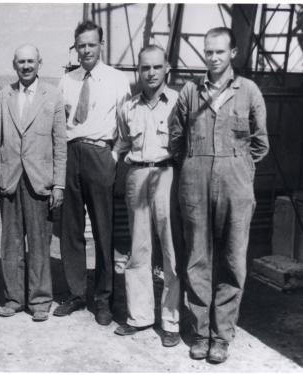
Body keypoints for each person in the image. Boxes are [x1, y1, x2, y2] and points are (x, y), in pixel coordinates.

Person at [170, 27, 269, 363]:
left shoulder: (249, 91)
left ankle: (222, 336)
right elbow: (175, 137)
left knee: (231, 260)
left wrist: (237, 168)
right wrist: (194, 166)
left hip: (236, 188)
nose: (212, 58)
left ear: (233, 53)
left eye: (219, 52)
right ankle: (199, 333)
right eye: (208, 52)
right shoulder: (189, 92)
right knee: (197, 259)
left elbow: (260, 142)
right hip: (194, 186)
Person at [53, 20, 131, 325]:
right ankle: (75, 293)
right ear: (76, 47)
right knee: (70, 229)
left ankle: (103, 298)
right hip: (72, 153)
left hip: (101, 154)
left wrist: (112, 157)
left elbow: (125, 125)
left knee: (103, 230)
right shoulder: (67, 80)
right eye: (81, 45)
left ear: (101, 46)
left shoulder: (116, 79)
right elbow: (61, 125)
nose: (86, 50)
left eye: (91, 44)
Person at [0, 44, 67, 322]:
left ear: (39, 63)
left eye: (31, 61)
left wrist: (59, 185)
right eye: (21, 61)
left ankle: (40, 299)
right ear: (14, 65)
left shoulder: (53, 96)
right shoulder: (3, 96)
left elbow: (60, 144)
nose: (26, 66)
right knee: (10, 244)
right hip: (9, 179)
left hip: (39, 181)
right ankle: (14, 298)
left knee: (39, 243)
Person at [114, 45, 181, 347]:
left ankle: (171, 321)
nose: (151, 73)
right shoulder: (128, 107)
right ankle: (140, 316)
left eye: (156, 67)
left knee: (170, 250)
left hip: (168, 175)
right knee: (139, 249)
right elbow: (123, 144)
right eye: (145, 68)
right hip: (138, 175)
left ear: (167, 67)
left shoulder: (180, 103)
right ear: (138, 71)